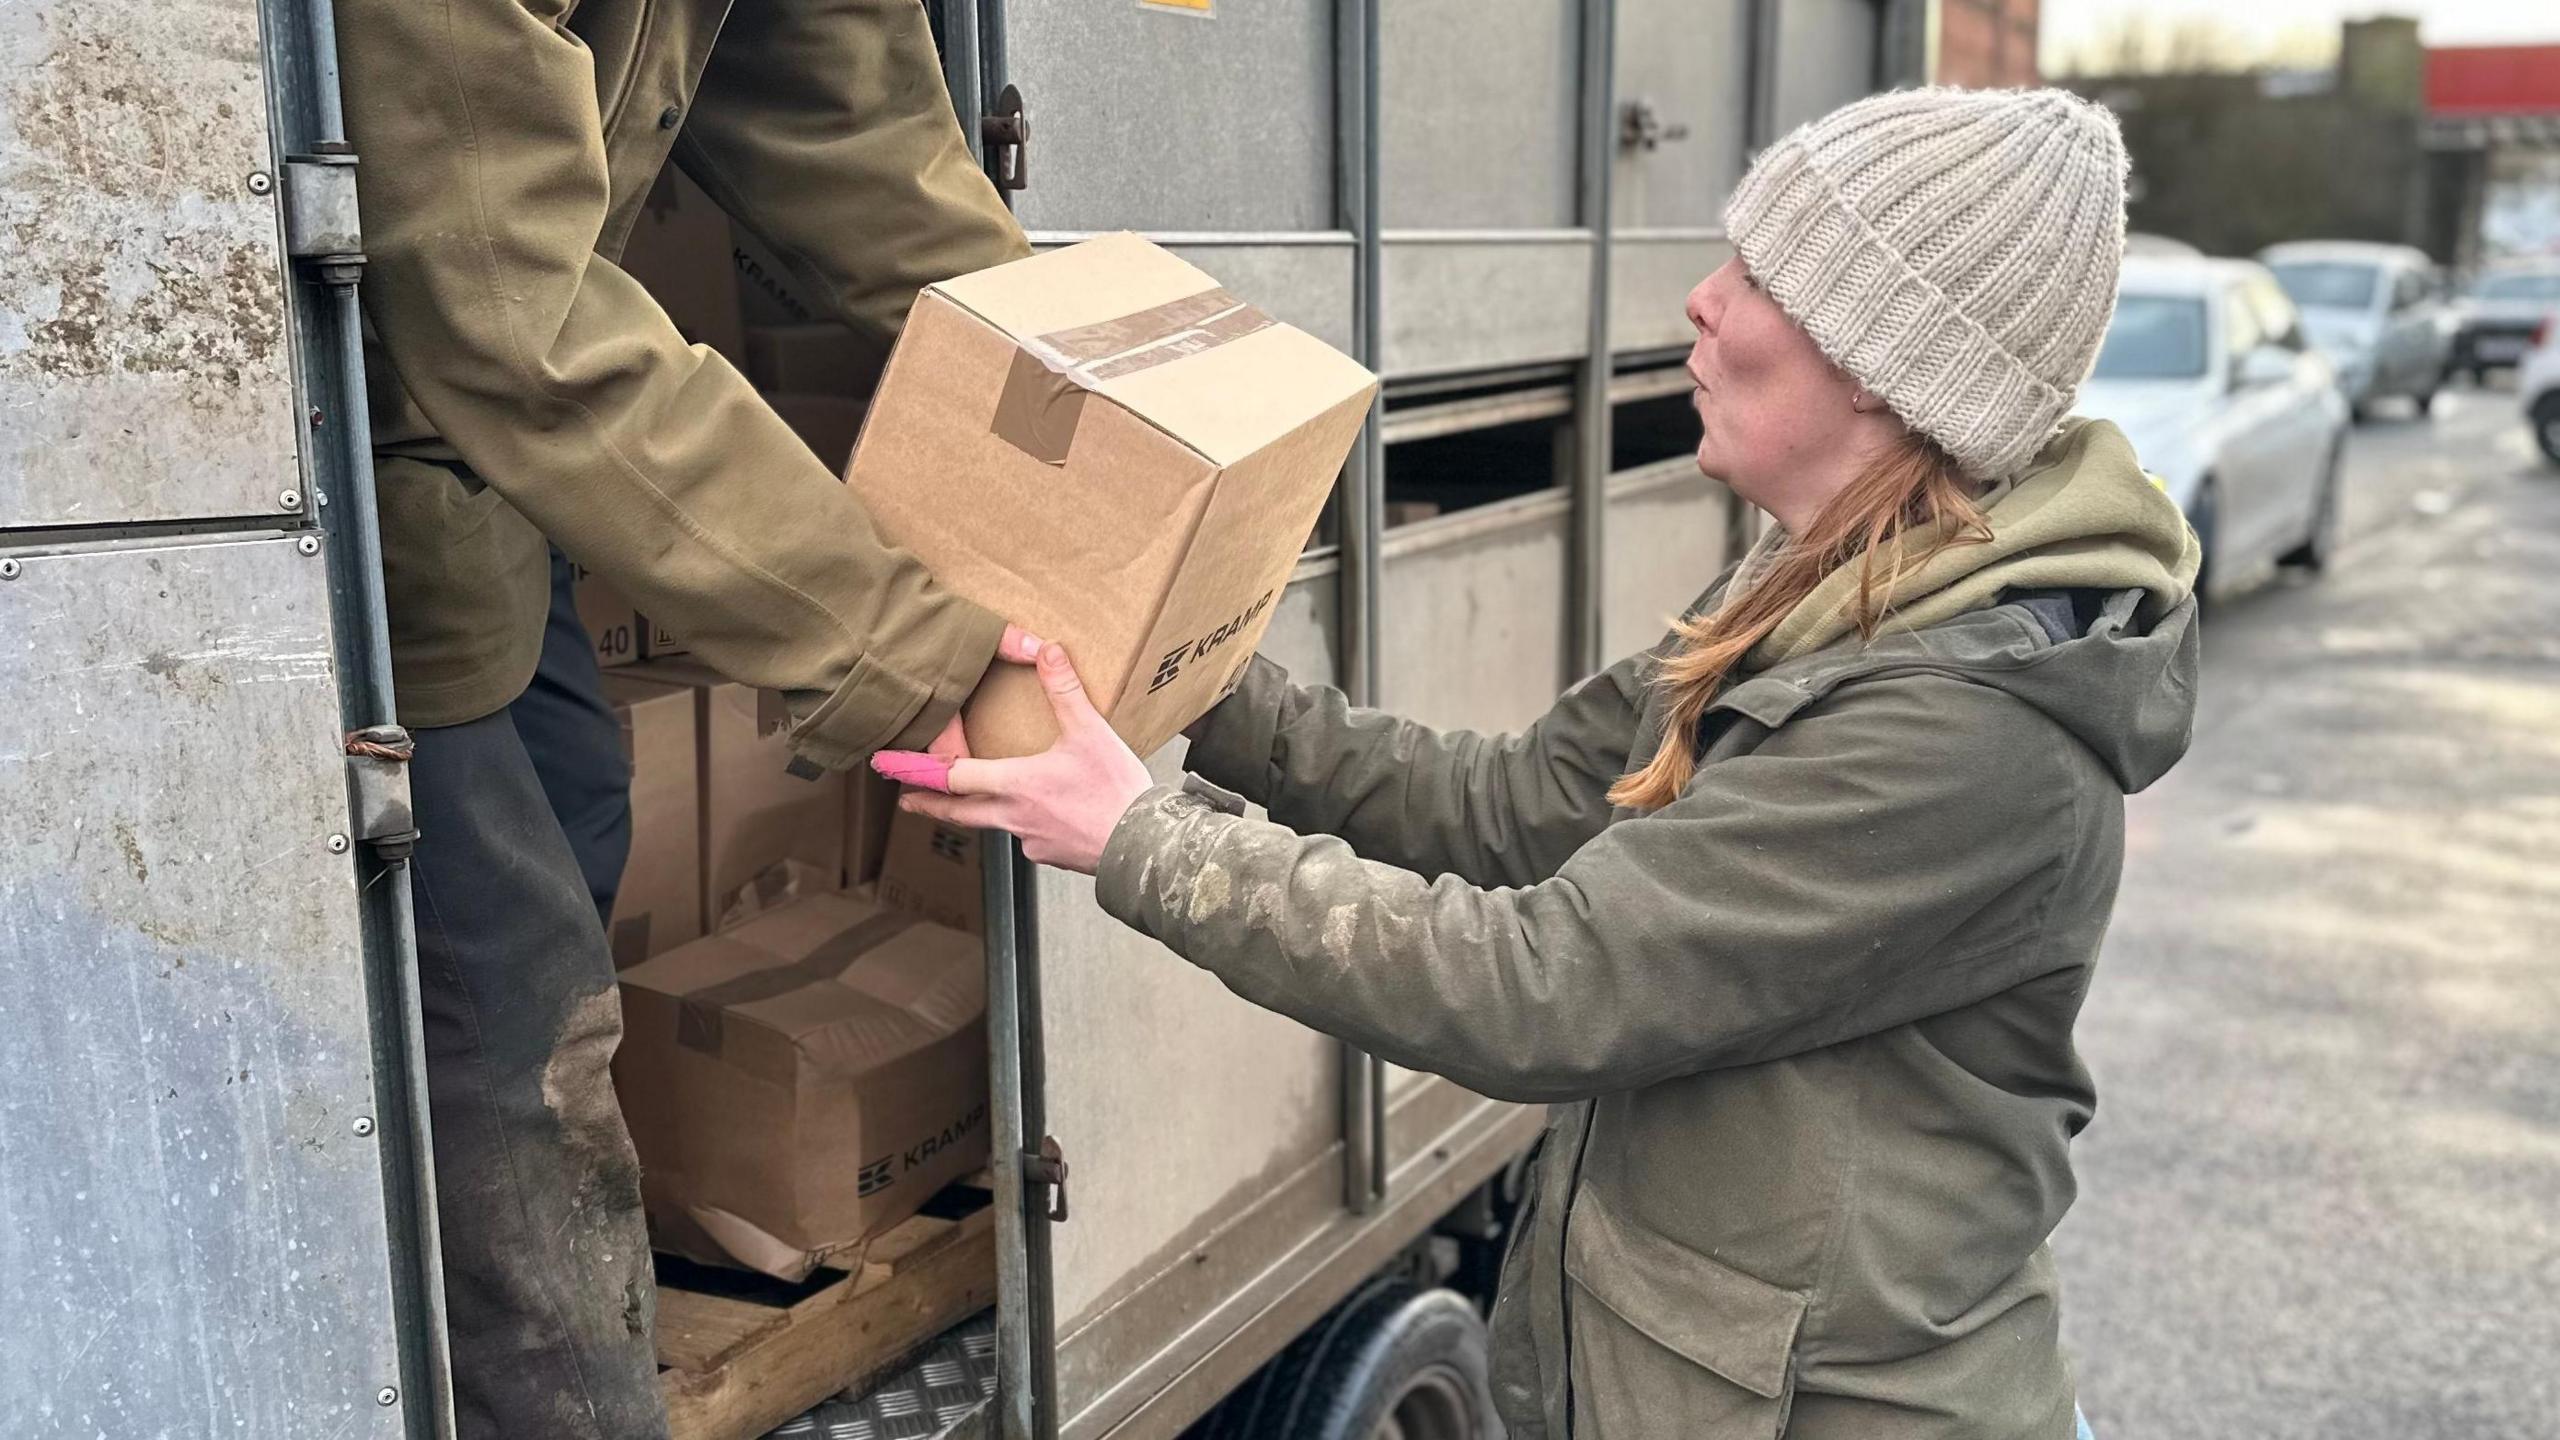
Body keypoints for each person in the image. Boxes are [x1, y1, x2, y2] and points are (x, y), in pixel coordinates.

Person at [885, 88, 2198, 1439]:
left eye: (1753, 275)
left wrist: (1139, 839)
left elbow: (1547, 986)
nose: (1699, 301)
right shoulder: (1831, 595)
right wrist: (1193, 678)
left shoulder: (1959, 727)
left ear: (1874, 359)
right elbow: (1510, 808)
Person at [335, 1, 1037, 1434]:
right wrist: (913, 654)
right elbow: (507, 310)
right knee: (507, 1009)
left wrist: (1092, 407)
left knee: (585, 816)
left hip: (490, 498)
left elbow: (857, 133)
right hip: (345, 496)